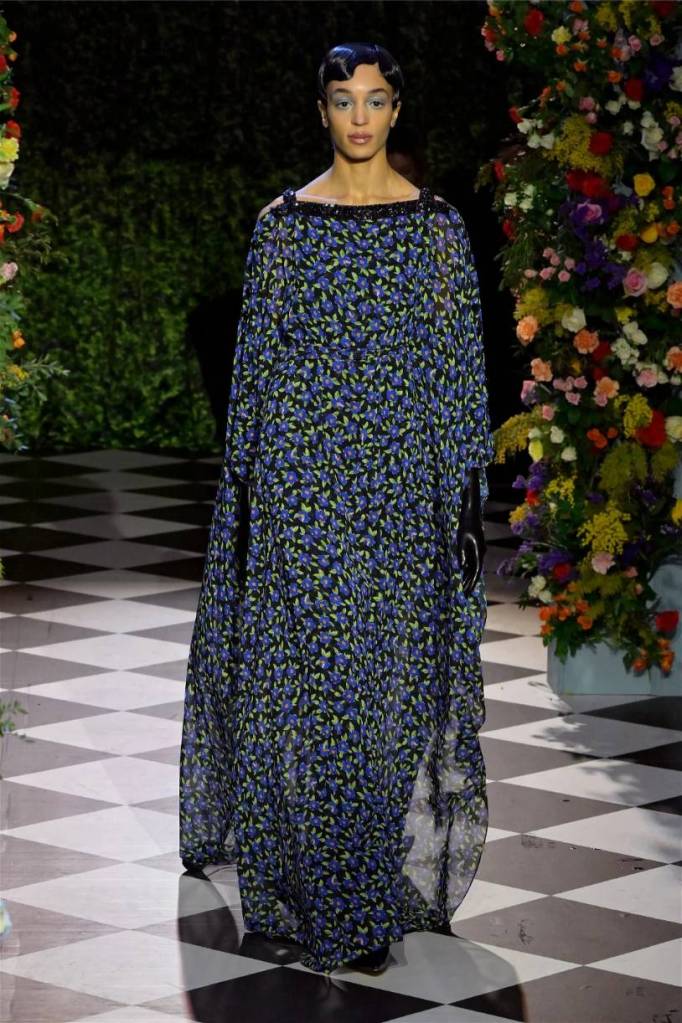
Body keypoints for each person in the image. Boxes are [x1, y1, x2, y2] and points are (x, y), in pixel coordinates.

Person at [179, 40, 495, 977]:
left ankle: (346, 880)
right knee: (311, 688)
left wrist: (463, 497)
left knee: (385, 695)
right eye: (345, 100)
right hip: (302, 487)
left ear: (397, 110)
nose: (361, 116)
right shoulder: (283, 226)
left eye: (377, 99)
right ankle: (327, 898)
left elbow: (458, 369)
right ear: (321, 112)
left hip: (400, 491)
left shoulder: (437, 229)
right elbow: (255, 369)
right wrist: (245, 491)